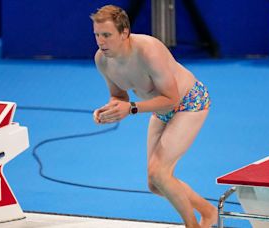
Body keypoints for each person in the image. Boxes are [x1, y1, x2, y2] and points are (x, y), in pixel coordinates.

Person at [90, 5, 216, 228]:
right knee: (155, 183)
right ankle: (208, 212)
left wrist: (131, 109)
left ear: (124, 32)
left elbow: (173, 98)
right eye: (97, 35)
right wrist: (109, 110)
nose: (101, 41)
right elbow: (118, 95)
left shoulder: (149, 51)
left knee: (159, 173)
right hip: (161, 110)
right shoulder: (102, 60)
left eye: (107, 35)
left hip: (189, 103)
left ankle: (193, 225)